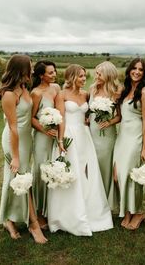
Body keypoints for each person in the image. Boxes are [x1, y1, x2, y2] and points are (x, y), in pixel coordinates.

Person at [47, 64, 113, 236]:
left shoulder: (86, 94)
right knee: (71, 171)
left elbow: (87, 115)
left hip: (85, 136)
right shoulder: (61, 95)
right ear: (71, 77)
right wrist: (60, 140)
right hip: (68, 135)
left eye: (85, 76)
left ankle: (90, 209)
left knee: (86, 171)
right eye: (81, 76)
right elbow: (61, 119)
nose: (84, 79)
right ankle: (68, 215)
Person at [0, 54, 47, 243]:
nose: (32, 70)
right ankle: (33, 225)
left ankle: (8, 219)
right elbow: (13, 128)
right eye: (30, 67)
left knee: (15, 179)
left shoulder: (24, 87)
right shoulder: (9, 94)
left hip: (26, 139)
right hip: (13, 142)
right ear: (21, 70)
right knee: (22, 179)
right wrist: (16, 157)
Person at [108, 58, 145, 230]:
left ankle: (138, 212)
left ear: (144, 73)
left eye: (141, 70)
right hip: (122, 137)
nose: (137, 72)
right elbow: (120, 116)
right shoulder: (124, 90)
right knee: (118, 176)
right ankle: (127, 211)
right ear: (129, 70)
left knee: (132, 175)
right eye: (134, 68)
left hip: (136, 137)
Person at [31, 60, 60, 229]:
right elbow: (32, 117)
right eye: (50, 73)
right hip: (43, 138)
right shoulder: (36, 93)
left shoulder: (56, 88)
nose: (54, 74)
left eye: (54, 71)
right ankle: (39, 213)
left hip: (56, 136)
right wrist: (44, 130)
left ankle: (52, 210)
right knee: (41, 171)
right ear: (41, 75)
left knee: (54, 170)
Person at [88, 61, 122, 197]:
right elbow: (88, 109)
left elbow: (120, 116)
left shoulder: (117, 91)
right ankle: (94, 199)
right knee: (92, 166)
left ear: (108, 75)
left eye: (99, 73)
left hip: (106, 136)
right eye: (96, 73)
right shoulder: (93, 89)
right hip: (91, 133)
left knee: (104, 166)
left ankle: (107, 199)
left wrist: (109, 122)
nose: (96, 76)